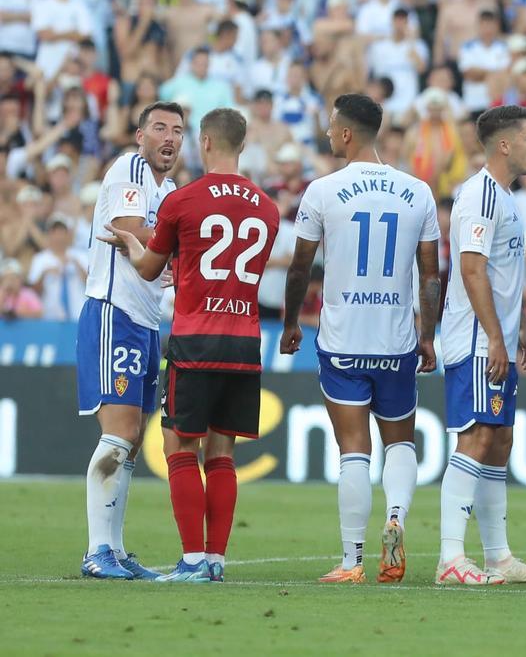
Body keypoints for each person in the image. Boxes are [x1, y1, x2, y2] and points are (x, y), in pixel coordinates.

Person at [99, 108, 280, 583]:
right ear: (242, 145)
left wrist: (129, 243)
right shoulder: (267, 207)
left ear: (205, 142)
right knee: (222, 453)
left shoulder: (183, 200)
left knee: (178, 444)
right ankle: (216, 560)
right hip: (245, 341)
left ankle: (194, 560)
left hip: (196, 338)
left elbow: (148, 268)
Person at [279, 93, 441, 585]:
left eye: (332, 125)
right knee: (400, 442)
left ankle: (352, 561)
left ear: (347, 133)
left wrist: (291, 323)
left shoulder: (322, 191)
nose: (328, 132)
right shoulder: (417, 191)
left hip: (343, 340)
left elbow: (300, 267)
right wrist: (427, 335)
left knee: (353, 448)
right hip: (396, 341)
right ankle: (396, 516)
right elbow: (431, 276)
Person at [436, 105, 526, 586]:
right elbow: (472, 269)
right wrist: (496, 338)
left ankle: (498, 556)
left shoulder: (504, 197)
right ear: (504, 145)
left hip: (496, 335)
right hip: (476, 339)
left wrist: (520, 328)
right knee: (477, 437)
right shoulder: (480, 195)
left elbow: (502, 275)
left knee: (499, 440)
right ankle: (450, 557)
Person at [76, 101, 182, 581]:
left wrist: (158, 249)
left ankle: (115, 550)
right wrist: (164, 246)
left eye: (177, 130)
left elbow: (149, 248)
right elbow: (131, 230)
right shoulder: (131, 168)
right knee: (119, 435)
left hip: (146, 321)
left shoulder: (170, 190)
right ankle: (96, 550)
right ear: (140, 136)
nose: (169, 138)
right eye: (159, 128)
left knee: (134, 440)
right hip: (112, 311)